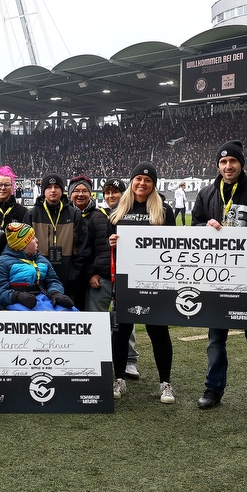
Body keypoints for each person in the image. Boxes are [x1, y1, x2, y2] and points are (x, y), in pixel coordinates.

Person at [191, 141, 247, 421]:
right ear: (217, 166)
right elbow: (193, 227)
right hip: (217, 280)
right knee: (215, 338)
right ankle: (213, 389)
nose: (227, 166)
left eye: (232, 161)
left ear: (241, 163)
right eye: (222, 162)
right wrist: (204, 227)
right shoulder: (206, 194)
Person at [107, 162, 176, 405]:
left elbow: (173, 246)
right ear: (132, 181)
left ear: (153, 184)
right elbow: (109, 245)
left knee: (159, 332)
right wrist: (112, 242)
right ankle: (118, 378)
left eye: (147, 180)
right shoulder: (118, 211)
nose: (142, 183)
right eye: (138, 179)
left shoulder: (164, 210)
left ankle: (165, 383)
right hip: (126, 282)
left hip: (155, 282)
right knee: (121, 331)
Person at [86, 178, 140, 379]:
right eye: (107, 193)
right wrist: (91, 272)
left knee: (126, 322)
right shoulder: (96, 217)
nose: (110, 196)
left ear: (123, 194)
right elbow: (88, 248)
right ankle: (96, 357)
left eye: (115, 192)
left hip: (125, 278)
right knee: (97, 320)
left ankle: (130, 360)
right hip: (101, 278)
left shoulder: (131, 215)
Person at [24, 172, 90, 302]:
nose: (53, 190)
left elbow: (82, 247)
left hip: (68, 277)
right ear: (43, 190)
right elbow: (24, 247)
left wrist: (74, 272)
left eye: (56, 187)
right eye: (49, 187)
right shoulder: (31, 215)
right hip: (38, 276)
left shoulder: (74, 214)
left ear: (62, 190)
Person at [0, 222, 72, 311]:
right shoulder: (0, 263)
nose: (37, 240)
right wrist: (17, 297)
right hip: (17, 304)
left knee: (70, 311)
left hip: (44, 300)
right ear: (22, 245)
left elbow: (53, 281)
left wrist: (55, 293)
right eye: (32, 238)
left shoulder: (42, 261)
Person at [67, 175, 96, 310]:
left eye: (84, 191)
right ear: (70, 193)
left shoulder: (98, 216)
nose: (80, 194)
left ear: (90, 193)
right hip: (70, 273)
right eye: (76, 191)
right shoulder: (63, 215)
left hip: (92, 275)